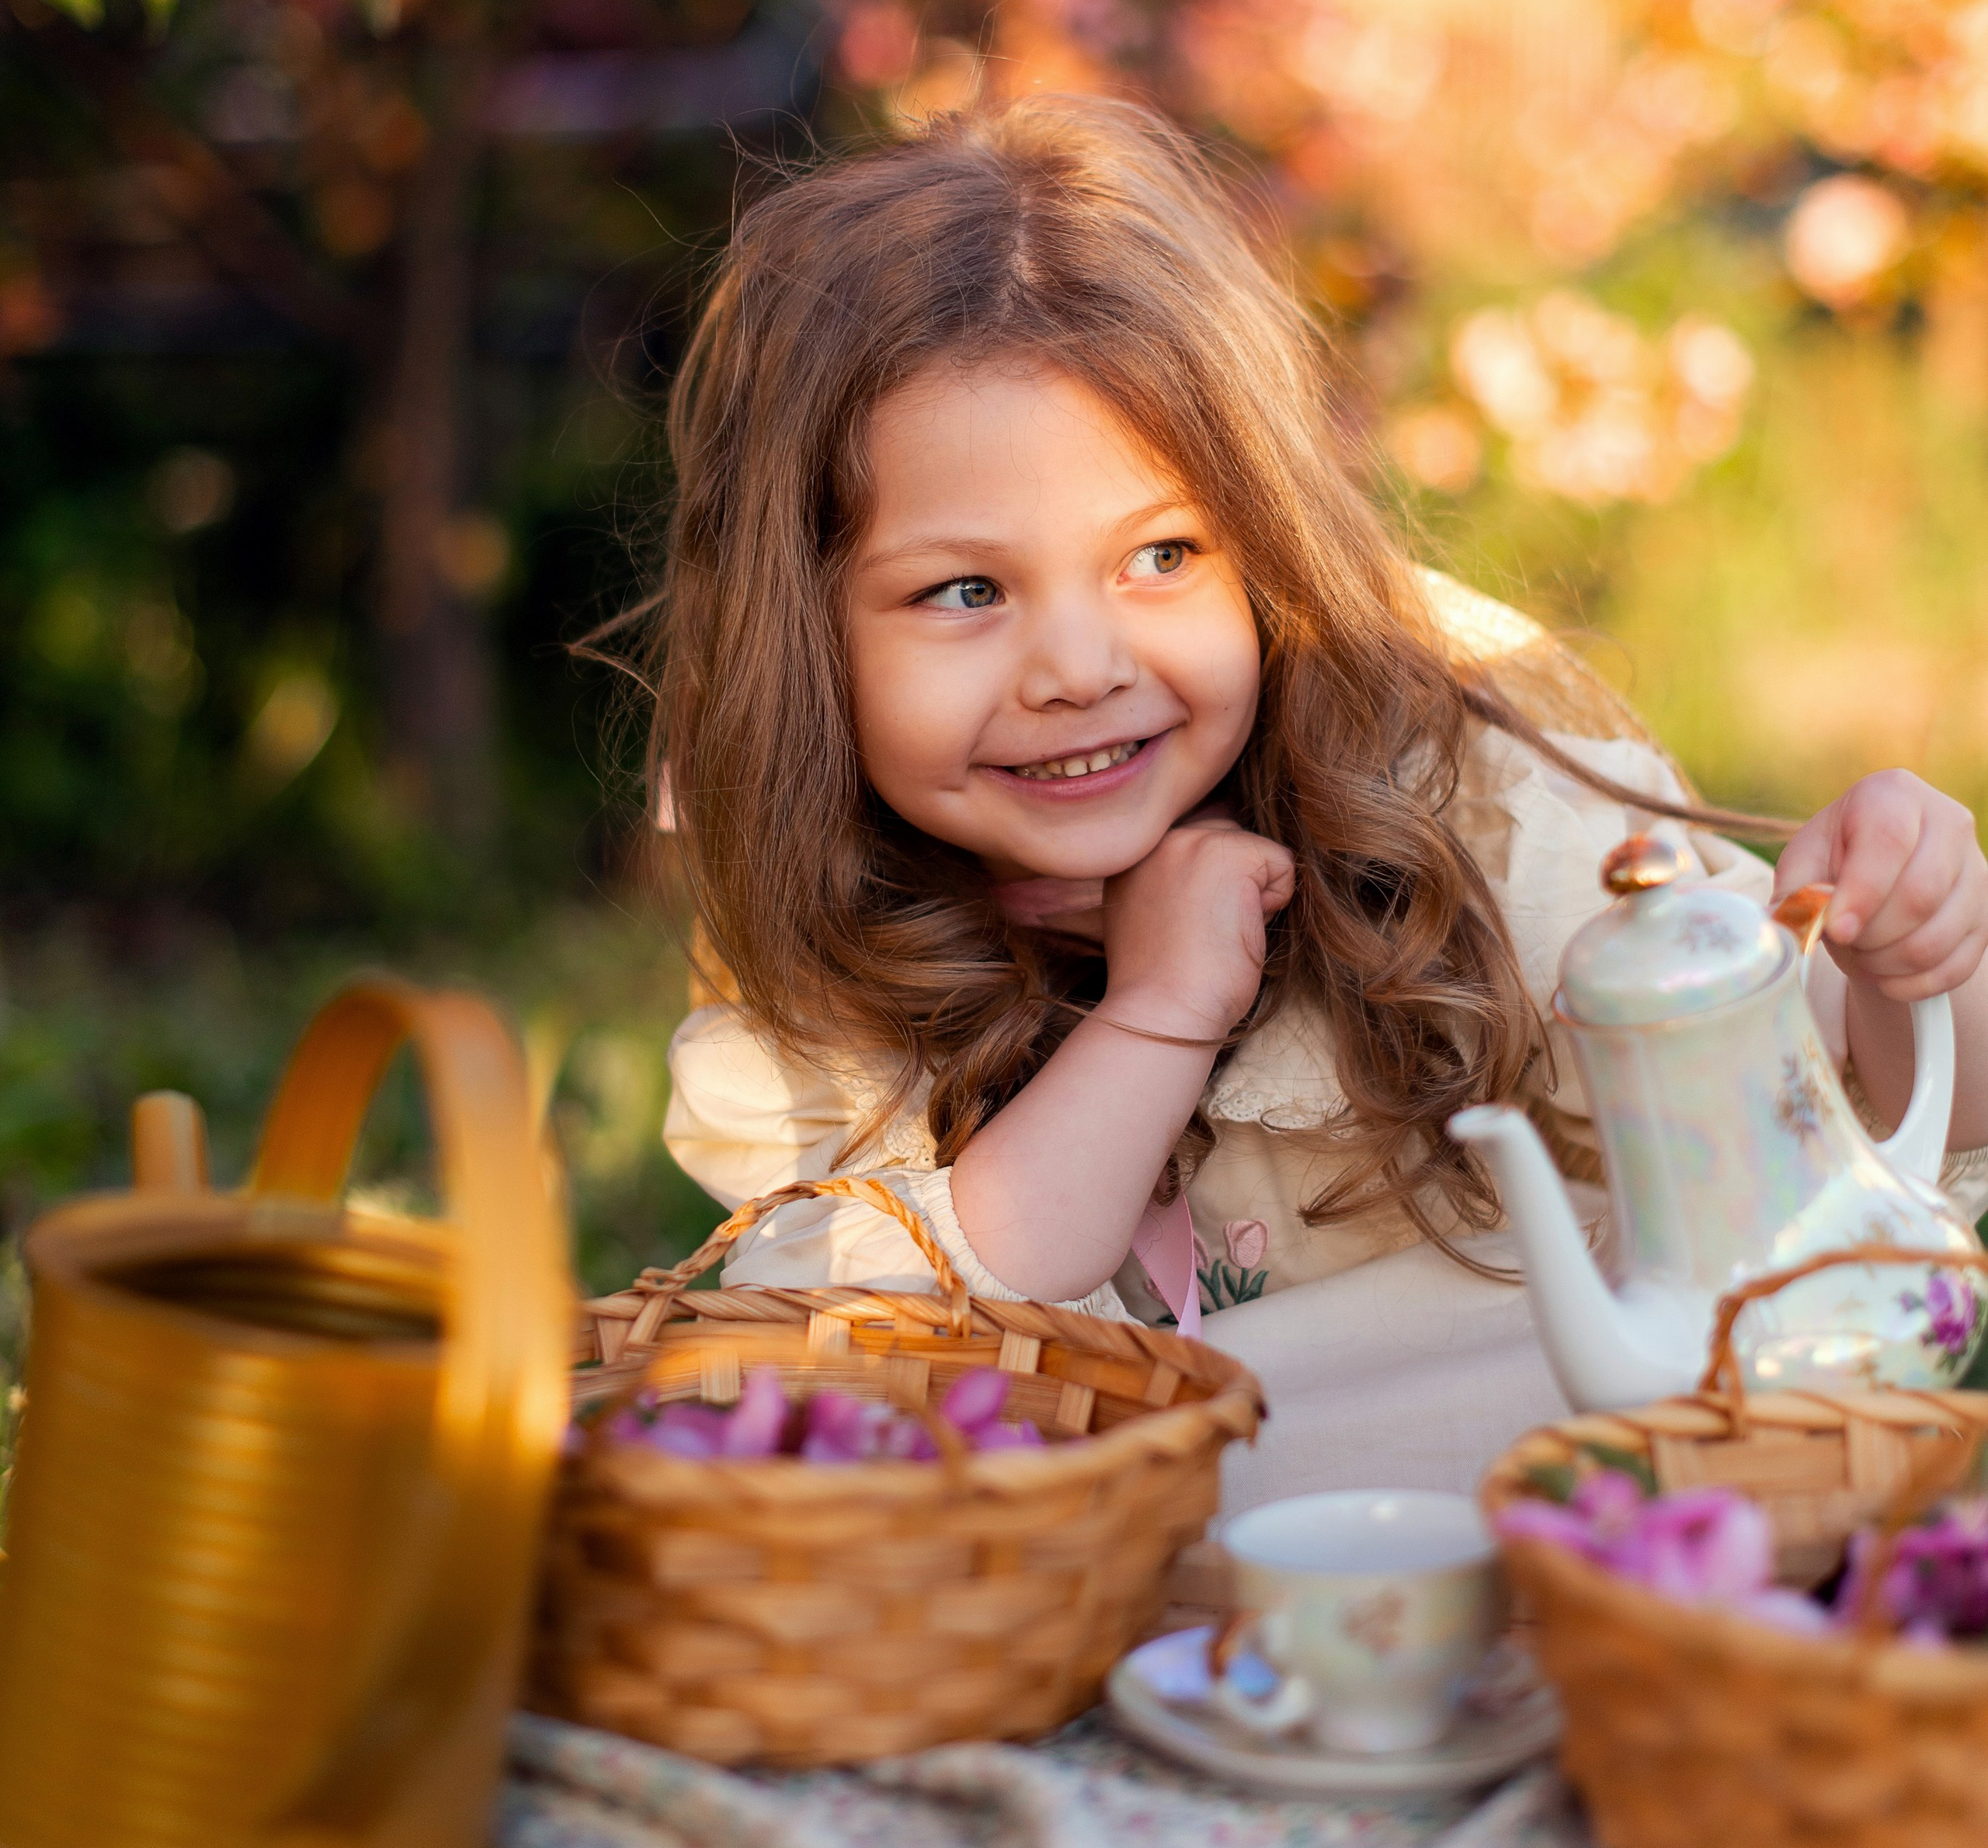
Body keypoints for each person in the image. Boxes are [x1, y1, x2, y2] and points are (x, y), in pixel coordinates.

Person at [645, 96, 1988, 1505]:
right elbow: (873, 1340)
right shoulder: (829, 944)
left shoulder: (1454, 808)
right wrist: (1159, 1010)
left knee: (1678, 1288)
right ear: (804, 633)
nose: (1080, 670)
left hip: (1546, 1503)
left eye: (1161, 555)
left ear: (1262, 551)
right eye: (966, 592)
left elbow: (1860, 1142)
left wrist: (1917, 966)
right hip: (1082, 1558)